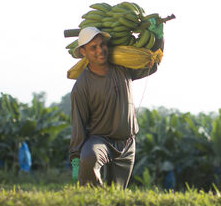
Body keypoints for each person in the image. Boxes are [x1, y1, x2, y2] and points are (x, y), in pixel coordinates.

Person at [69, 26, 163, 188]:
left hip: (127, 143)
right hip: (100, 141)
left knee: (117, 193)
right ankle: (91, 201)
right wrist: (77, 160)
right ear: (83, 52)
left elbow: (152, 64)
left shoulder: (122, 68)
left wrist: (159, 37)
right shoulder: (82, 86)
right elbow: (78, 124)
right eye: (93, 47)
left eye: (102, 44)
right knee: (89, 159)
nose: (100, 50)